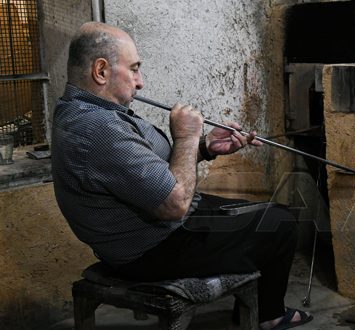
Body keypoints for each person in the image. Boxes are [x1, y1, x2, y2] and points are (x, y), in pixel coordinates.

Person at [51, 22, 311, 330]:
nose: (140, 82)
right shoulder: (97, 129)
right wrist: (187, 138)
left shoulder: (82, 111)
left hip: (157, 230)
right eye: (134, 69)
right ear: (101, 71)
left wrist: (204, 147)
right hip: (154, 251)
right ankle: (270, 316)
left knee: (255, 210)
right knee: (280, 223)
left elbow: (143, 173)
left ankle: (255, 306)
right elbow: (175, 204)